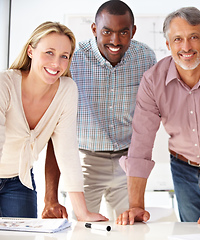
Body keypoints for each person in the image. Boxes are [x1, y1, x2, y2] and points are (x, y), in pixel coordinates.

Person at [117, 6, 200, 228]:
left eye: (194, 37)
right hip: (182, 169)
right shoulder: (152, 81)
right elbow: (141, 142)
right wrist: (136, 205)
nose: (186, 47)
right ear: (168, 45)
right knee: (191, 232)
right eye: (178, 39)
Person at [42, 1, 157, 220]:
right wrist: (50, 197)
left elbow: (150, 113)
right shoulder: (73, 59)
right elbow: (54, 129)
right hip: (85, 161)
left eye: (124, 32)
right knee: (78, 228)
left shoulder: (146, 58)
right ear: (95, 29)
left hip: (127, 160)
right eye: (107, 32)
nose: (115, 41)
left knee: (132, 228)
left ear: (133, 31)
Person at [0, 21, 107, 222]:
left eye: (64, 56)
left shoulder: (67, 90)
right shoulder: (4, 83)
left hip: (19, 180)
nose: (56, 64)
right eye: (49, 52)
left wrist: (82, 212)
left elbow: (66, 152)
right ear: (31, 51)